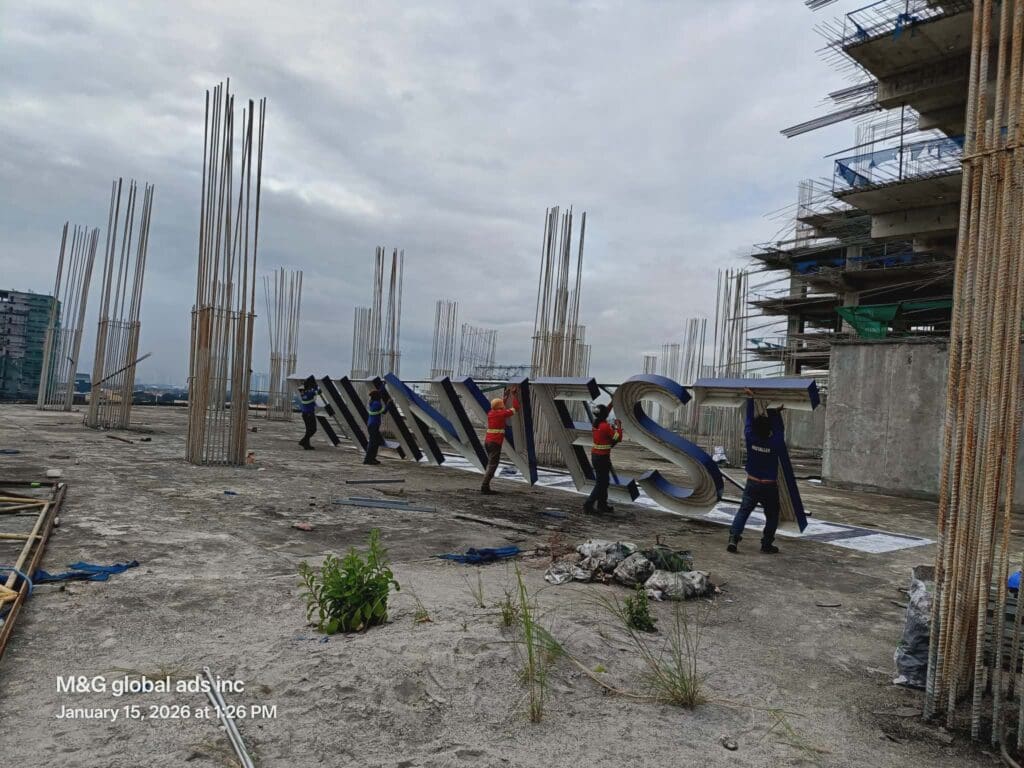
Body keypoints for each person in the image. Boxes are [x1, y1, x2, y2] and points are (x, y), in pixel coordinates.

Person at [728, 388, 785, 554]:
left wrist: (750, 399)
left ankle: (733, 538)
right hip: (769, 486)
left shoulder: (750, 438)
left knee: (743, 511)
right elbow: (779, 429)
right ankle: (766, 544)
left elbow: (748, 421)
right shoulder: (775, 443)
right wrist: (775, 413)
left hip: (752, 483)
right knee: (772, 515)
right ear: (769, 430)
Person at [480, 385, 519, 494]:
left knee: (490, 463)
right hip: (495, 442)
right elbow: (516, 408)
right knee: (493, 465)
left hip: (488, 441)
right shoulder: (501, 414)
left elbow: (498, 406)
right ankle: (484, 486)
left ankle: (485, 485)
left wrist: (505, 397)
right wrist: (514, 395)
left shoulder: (491, 413)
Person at [584, 404, 622, 514]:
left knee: (603, 482)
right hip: (602, 458)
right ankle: (588, 504)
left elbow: (604, 413)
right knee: (601, 483)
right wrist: (618, 427)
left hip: (596, 456)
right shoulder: (605, 427)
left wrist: (612, 403)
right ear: (605, 415)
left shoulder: (596, 424)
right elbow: (618, 438)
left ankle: (602, 505)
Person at [363, 388, 388, 465]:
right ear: (377, 396)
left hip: (371, 424)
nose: (381, 396)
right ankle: (368, 460)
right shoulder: (377, 404)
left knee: (376, 442)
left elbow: (378, 392)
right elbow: (384, 412)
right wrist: (389, 404)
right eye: (380, 395)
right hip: (374, 425)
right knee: (373, 443)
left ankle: (372, 458)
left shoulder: (372, 402)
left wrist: (383, 385)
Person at [298, 376, 320, 450]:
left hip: (304, 414)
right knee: (313, 429)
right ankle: (303, 441)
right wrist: (316, 387)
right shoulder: (311, 392)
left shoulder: (303, 392)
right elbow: (319, 392)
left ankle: (306, 445)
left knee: (308, 430)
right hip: (309, 414)